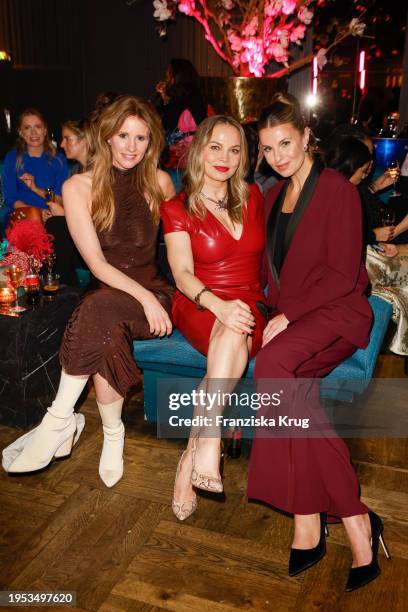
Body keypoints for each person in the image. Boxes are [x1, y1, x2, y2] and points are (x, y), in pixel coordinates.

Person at [247, 93, 390, 592]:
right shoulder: (269, 196)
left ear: (308, 136)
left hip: (338, 312)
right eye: (267, 149)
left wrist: (288, 314)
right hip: (297, 317)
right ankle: (314, 520)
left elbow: (344, 273)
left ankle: (345, 516)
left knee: (270, 368)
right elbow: (274, 271)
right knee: (291, 390)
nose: (278, 155)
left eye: (285, 142)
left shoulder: (338, 191)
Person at [2, 96, 176, 488]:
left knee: (97, 311)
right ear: (107, 137)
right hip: (109, 293)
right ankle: (112, 435)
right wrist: (142, 298)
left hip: (155, 293)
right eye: (123, 135)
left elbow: (189, 240)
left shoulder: (161, 183)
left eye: (142, 138)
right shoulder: (77, 187)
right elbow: (97, 265)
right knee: (104, 323)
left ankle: (58, 421)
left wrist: (161, 296)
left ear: (151, 143)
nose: (132, 146)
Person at [160, 115, 266, 521]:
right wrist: (217, 304)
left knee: (237, 327)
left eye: (235, 149)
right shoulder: (176, 207)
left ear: (244, 158)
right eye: (216, 147)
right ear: (199, 150)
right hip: (199, 301)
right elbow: (182, 274)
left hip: (250, 301)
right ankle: (207, 444)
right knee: (231, 325)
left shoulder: (253, 197)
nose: (225, 157)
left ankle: (196, 452)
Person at [325, 135, 408, 356]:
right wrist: (374, 236)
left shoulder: (353, 187)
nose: (371, 165)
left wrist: (374, 188)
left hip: (369, 249)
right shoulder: (340, 190)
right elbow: (341, 237)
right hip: (358, 261)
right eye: (365, 163)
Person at [2, 108, 68, 226]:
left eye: (38, 126)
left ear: (45, 130)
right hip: (20, 215)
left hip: (51, 215)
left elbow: (58, 199)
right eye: (27, 128)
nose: (33, 133)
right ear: (21, 133)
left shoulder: (59, 159)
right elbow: (10, 199)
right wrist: (36, 213)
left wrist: (36, 188)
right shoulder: (12, 157)